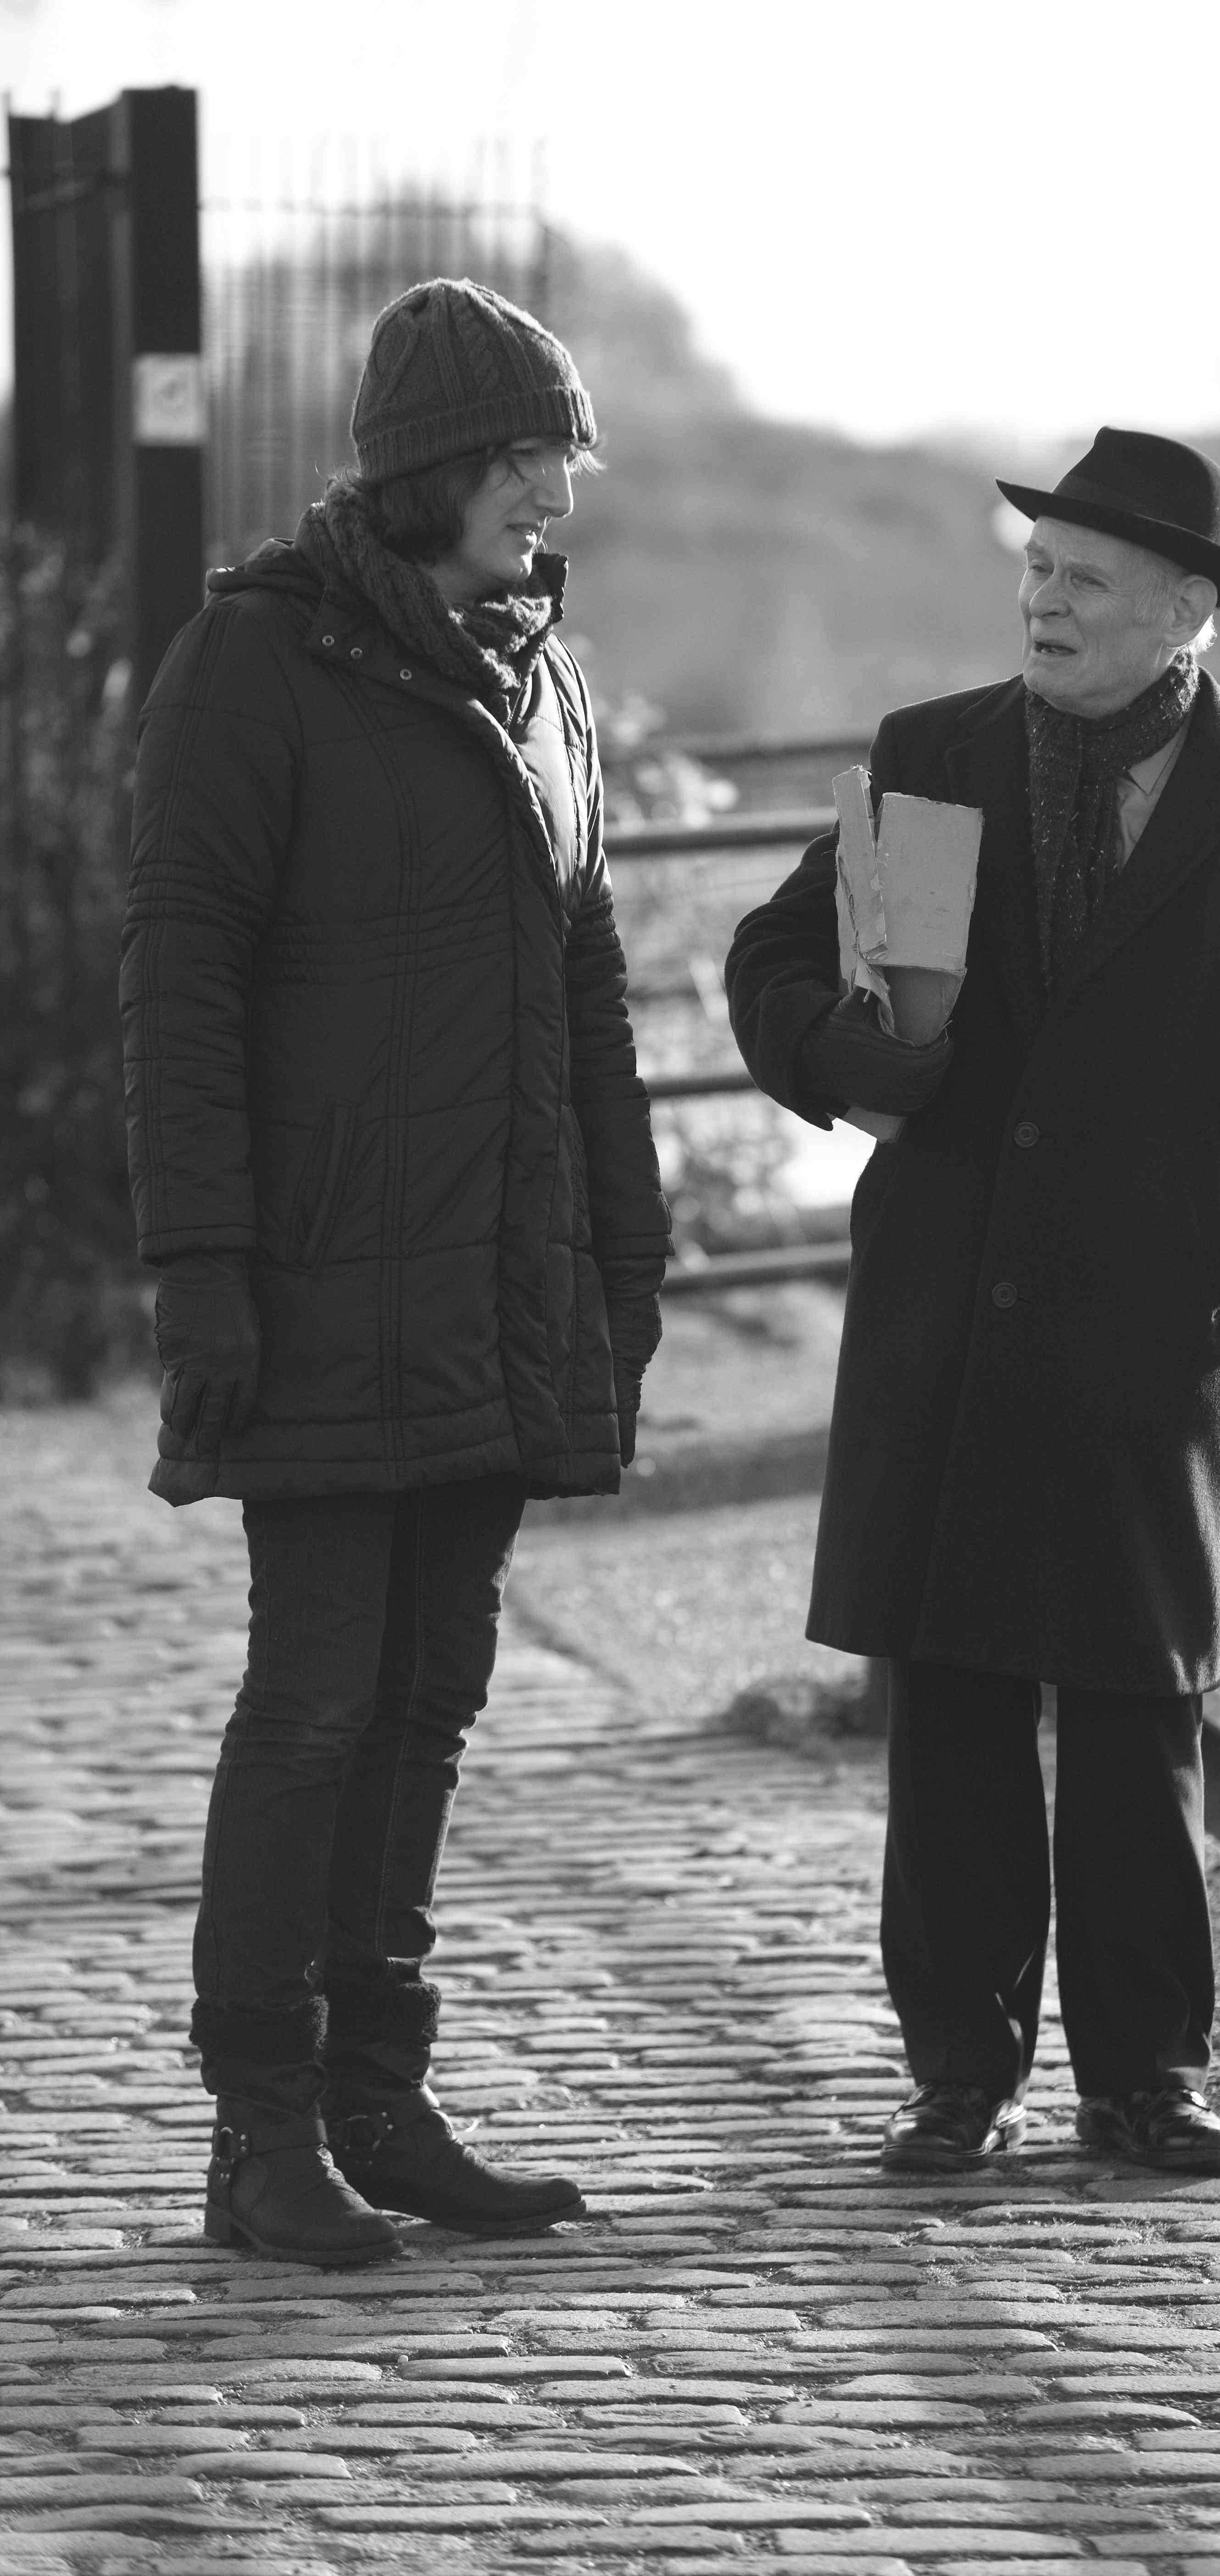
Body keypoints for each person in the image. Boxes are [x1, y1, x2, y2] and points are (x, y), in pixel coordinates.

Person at [725, 429, 1220, 2176]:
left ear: (1187, 614)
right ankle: (959, 2073)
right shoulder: (933, 757)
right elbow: (774, 958)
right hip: (946, 1300)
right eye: (1034, 570)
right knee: (948, 1705)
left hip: (1146, 1326)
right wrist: (842, 1058)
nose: (1045, 600)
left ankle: (1146, 2077)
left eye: (1086, 580)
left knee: (1133, 1707)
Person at [121, 278, 671, 2265]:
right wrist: (206, 1275)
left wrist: (631, 1244)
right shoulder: (253, 665)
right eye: (530, 460)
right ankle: (261, 2130)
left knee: (433, 1692)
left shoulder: (539, 679)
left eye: (566, 461)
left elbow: (585, 982)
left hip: (503, 1282)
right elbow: (175, 990)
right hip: (325, 1278)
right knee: (319, 1698)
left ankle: (377, 2095)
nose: (557, 492)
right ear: (439, 468)